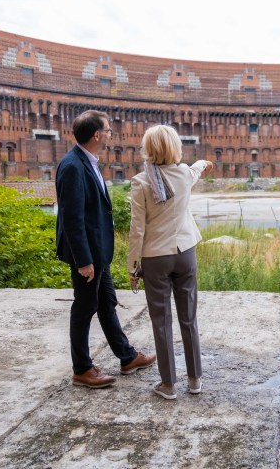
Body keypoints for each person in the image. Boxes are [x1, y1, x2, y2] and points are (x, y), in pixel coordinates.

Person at [55, 109, 156, 389]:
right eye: (108, 130)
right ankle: (82, 369)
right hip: (87, 255)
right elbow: (72, 219)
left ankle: (127, 357)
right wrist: (84, 260)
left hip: (97, 252)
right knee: (85, 307)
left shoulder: (87, 161)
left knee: (107, 303)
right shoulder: (73, 166)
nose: (111, 134)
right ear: (97, 135)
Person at [128, 124, 212, 400]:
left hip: (156, 257)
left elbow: (137, 229)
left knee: (161, 321)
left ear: (148, 149)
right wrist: (204, 163)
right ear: (175, 148)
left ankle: (168, 385)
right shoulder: (184, 174)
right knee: (189, 317)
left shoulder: (141, 182)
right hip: (185, 252)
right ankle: (195, 379)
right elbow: (196, 169)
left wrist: (132, 267)